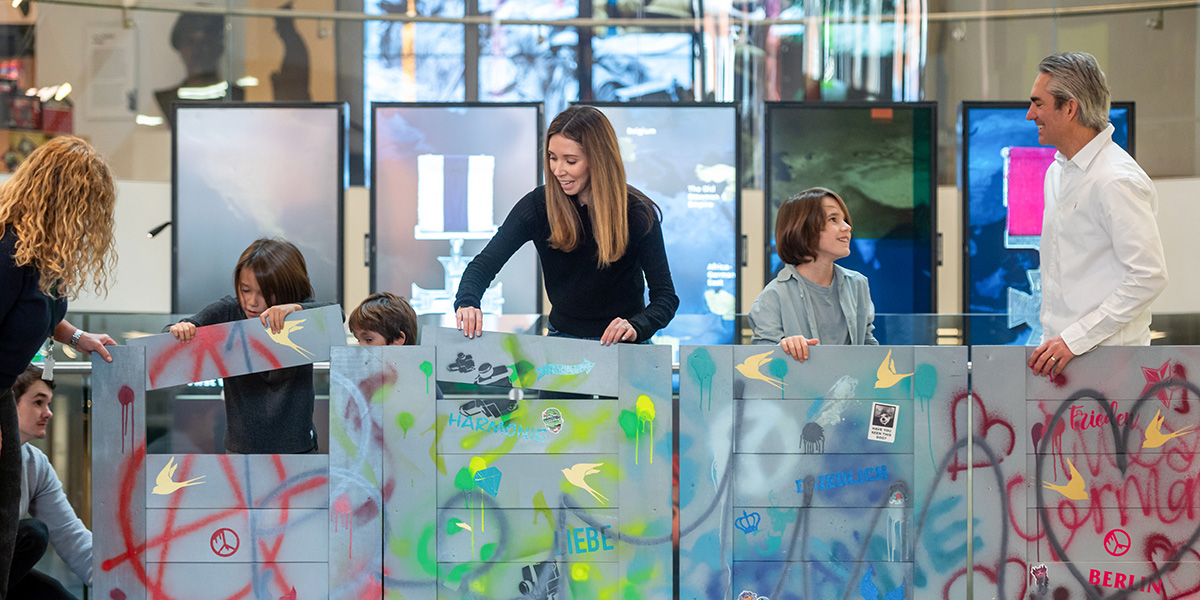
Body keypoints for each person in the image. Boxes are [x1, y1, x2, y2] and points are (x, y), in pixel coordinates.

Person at [0, 136, 117, 599]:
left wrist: (76, 337)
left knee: (6, 531)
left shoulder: (39, 257)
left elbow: (40, 310)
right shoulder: (8, 253)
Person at [454, 105, 678, 345]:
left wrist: (636, 327)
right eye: (552, 158)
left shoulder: (638, 212)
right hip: (562, 341)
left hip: (625, 347)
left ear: (598, 161)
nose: (558, 170)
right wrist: (468, 301)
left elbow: (665, 297)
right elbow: (484, 265)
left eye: (570, 161)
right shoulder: (538, 205)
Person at [1025, 52, 1168, 377]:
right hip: (1061, 361)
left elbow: (1149, 276)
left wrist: (1074, 340)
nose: (1030, 114)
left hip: (1111, 367)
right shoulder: (1056, 173)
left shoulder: (1116, 179)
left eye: (1038, 103)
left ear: (1070, 107)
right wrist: (1057, 341)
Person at [167, 237, 331, 454]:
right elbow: (172, 336)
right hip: (241, 451)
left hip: (299, 450)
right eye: (245, 290)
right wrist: (180, 329)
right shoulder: (228, 311)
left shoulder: (300, 312)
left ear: (287, 289)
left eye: (264, 293)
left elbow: (336, 316)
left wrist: (295, 308)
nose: (252, 302)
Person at [749, 187, 878, 361]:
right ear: (803, 229)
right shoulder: (772, 297)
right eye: (833, 219)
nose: (847, 227)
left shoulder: (858, 284)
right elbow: (761, 362)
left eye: (845, 220)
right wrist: (784, 348)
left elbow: (868, 346)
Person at [9, 367, 91, 600]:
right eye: (38, 402)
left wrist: (124, 577)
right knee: (32, 534)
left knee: (56, 595)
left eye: (48, 403)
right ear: (6, 405)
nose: (48, 413)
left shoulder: (35, 464)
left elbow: (70, 536)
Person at [349, 292, 444, 398]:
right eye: (358, 340)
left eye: (368, 340)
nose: (360, 347)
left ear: (398, 340)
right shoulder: (366, 382)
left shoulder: (422, 384)